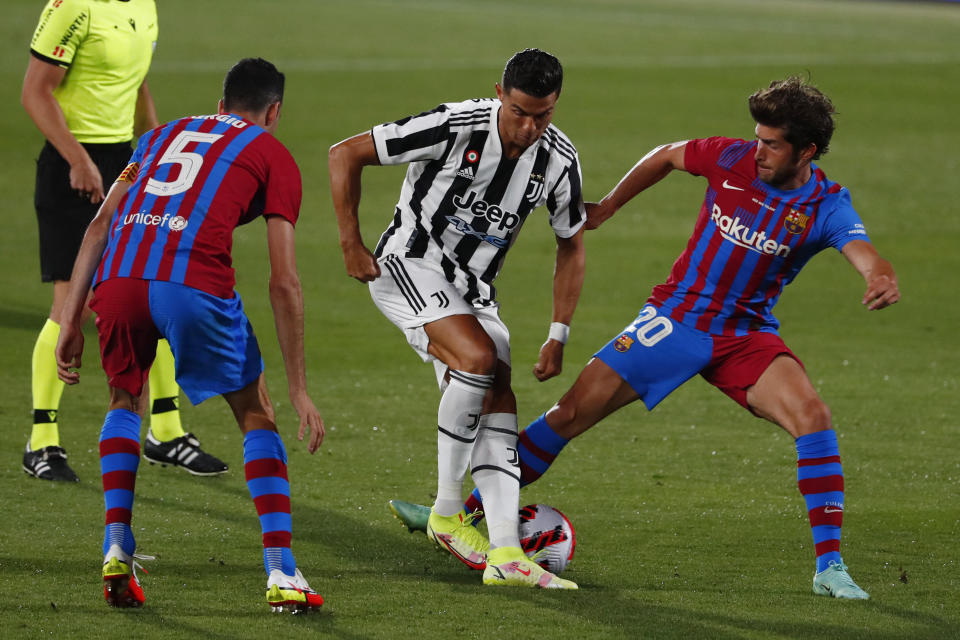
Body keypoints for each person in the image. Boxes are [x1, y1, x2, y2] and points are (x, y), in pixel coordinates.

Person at [390, 77, 900, 599]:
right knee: (568, 416)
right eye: (758, 138)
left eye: (771, 144)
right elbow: (667, 156)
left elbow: (861, 248)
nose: (758, 151)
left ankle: (830, 568)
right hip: (673, 322)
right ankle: (457, 514)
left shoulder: (824, 205)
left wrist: (877, 276)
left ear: (807, 151)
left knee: (813, 417)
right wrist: (609, 205)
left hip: (745, 335)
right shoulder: (730, 159)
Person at [54, 57, 326, 612]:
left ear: (221, 104)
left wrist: (70, 318)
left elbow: (100, 224)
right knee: (256, 409)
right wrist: (299, 387)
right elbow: (284, 281)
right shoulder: (272, 152)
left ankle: (115, 545)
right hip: (192, 283)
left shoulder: (160, 135)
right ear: (273, 112)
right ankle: (280, 570)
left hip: (120, 280)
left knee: (124, 399)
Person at [329, 48, 585, 589]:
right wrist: (351, 242)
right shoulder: (453, 125)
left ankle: (507, 555)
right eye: (519, 111)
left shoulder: (559, 160)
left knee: (500, 395)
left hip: (473, 292)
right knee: (477, 358)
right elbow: (344, 154)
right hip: (406, 265)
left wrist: (558, 331)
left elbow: (571, 244)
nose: (529, 126)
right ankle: (447, 514)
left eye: (543, 114)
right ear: (499, 93)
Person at [22, 0, 226, 481]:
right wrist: (77, 159)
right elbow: (35, 93)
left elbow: (136, 82)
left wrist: (157, 151)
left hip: (125, 163)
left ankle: (167, 431)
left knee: (153, 290)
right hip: (70, 165)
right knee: (69, 303)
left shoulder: (143, 6)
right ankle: (43, 441)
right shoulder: (72, 6)